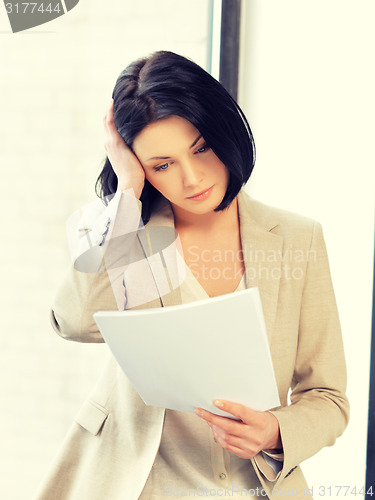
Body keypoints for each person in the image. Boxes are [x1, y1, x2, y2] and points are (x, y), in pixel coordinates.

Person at [33, 51, 349, 499]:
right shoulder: (124, 232)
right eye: (162, 165)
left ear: (224, 129)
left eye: (200, 147)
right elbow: (77, 322)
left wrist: (274, 430)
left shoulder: (298, 238)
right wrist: (126, 191)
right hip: (135, 483)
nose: (193, 177)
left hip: (254, 486)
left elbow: (328, 397)